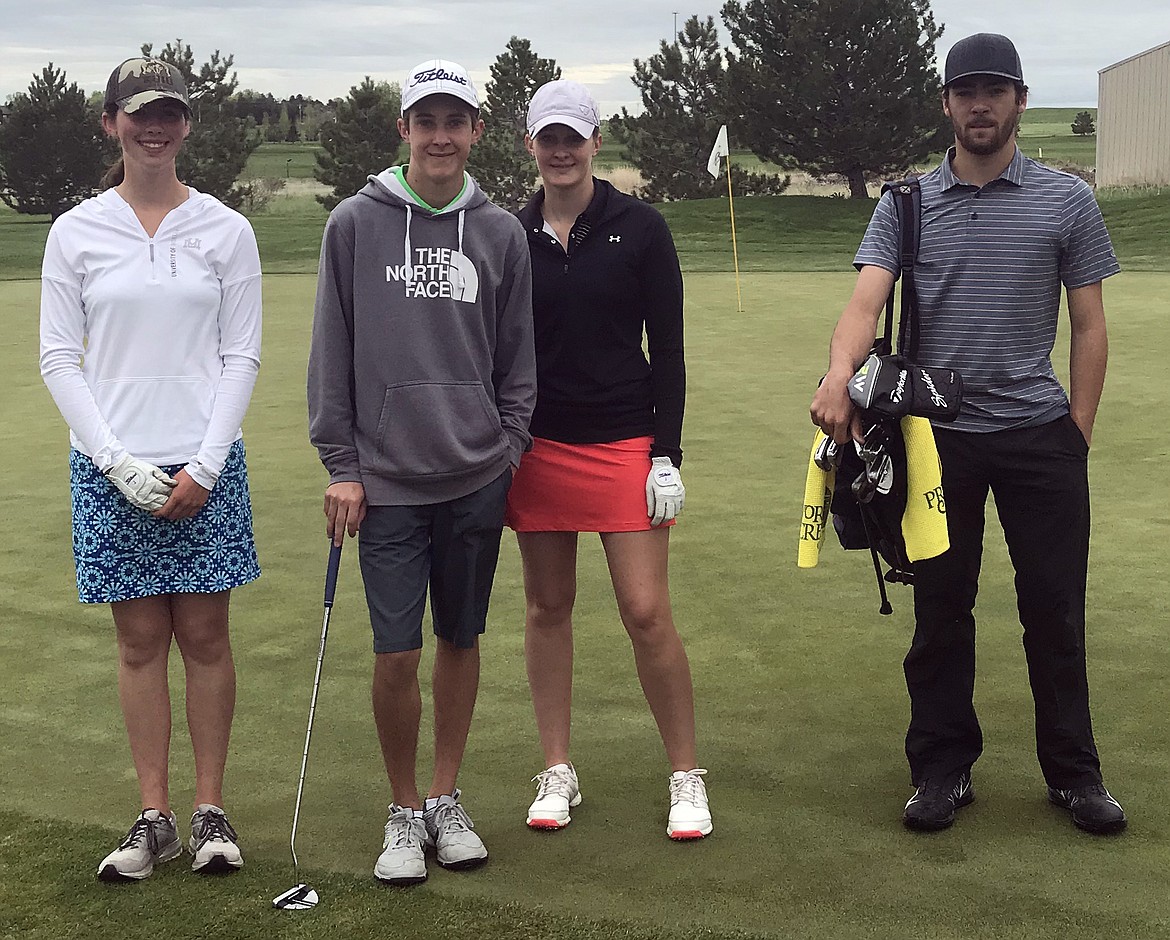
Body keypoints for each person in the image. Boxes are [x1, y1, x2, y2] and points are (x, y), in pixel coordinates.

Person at [809, 33, 1126, 834]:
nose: (979, 104)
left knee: (1053, 607)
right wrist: (835, 376)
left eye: (995, 90)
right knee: (941, 609)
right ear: (946, 104)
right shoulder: (906, 202)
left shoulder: (1066, 199)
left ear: (1018, 100)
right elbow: (863, 305)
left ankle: (1074, 774)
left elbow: (1089, 326)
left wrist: (1075, 433)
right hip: (934, 441)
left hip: (1038, 435)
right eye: (965, 91)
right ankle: (943, 769)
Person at [307, 58, 536, 885]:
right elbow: (331, 354)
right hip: (387, 482)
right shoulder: (354, 224)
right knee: (396, 651)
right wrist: (342, 464)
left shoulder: (503, 232)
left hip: (475, 474)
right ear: (403, 129)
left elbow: (519, 364)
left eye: (456, 120)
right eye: (425, 120)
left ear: (476, 129)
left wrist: (506, 450)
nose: (441, 136)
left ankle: (445, 796)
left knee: (461, 638)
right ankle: (403, 809)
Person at [39, 57, 262, 880]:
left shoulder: (224, 229)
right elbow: (61, 359)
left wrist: (204, 462)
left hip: (205, 462)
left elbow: (241, 357)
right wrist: (117, 464)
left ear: (186, 125)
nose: (153, 126)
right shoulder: (77, 230)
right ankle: (154, 816)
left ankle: (209, 812)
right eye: (138, 114)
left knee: (205, 637)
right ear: (111, 124)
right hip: (111, 465)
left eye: (168, 112)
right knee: (138, 643)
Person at [506, 79, 711, 840]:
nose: (560, 151)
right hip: (538, 446)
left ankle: (686, 776)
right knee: (547, 608)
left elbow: (671, 350)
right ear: (529, 145)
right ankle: (557, 768)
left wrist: (667, 452)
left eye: (574, 137)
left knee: (646, 611)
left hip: (625, 439)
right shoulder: (508, 233)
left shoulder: (641, 227)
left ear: (597, 143)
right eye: (547, 138)